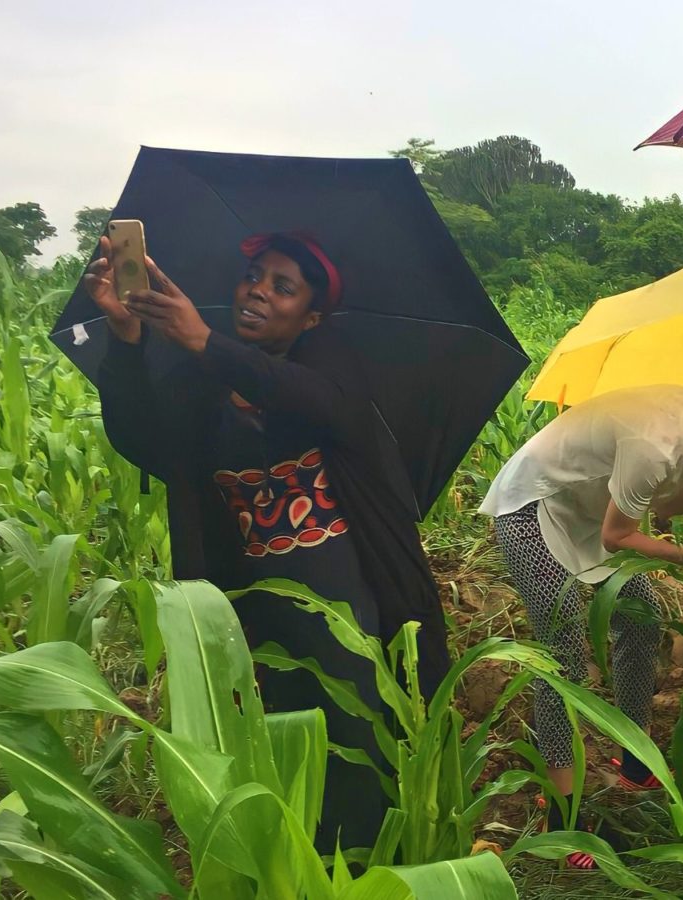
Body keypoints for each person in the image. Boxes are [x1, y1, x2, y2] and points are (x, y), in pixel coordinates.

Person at [85, 231, 447, 849]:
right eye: (254, 275)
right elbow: (144, 440)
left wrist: (205, 341)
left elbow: (315, 402)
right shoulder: (201, 388)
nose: (258, 290)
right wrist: (126, 342)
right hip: (255, 614)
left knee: (358, 748)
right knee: (277, 750)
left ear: (310, 317)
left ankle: (362, 874)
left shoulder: (330, 369)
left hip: (348, 612)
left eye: (283, 286)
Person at [480, 385, 683, 868]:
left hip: (588, 508)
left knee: (642, 617)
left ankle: (636, 758)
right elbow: (618, 534)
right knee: (563, 652)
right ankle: (560, 816)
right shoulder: (652, 445)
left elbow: (662, 507)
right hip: (533, 507)